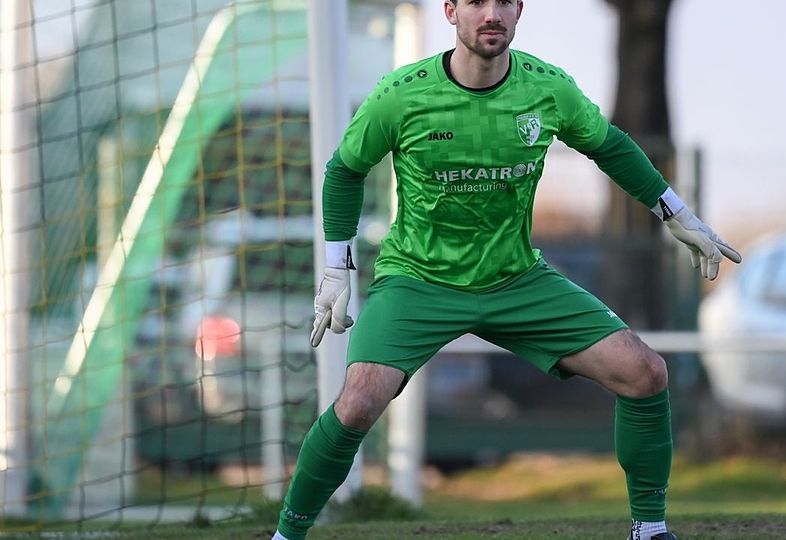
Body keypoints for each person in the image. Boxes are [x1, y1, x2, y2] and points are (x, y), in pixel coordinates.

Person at [272, 1, 740, 539]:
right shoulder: (401, 94)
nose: (490, 13)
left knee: (645, 372)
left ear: (519, 10)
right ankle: (286, 535)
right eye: (476, 2)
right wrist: (337, 267)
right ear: (451, 11)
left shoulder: (547, 88)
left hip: (517, 280)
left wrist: (674, 213)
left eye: (503, 2)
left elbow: (610, 146)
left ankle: (650, 530)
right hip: (418, 281)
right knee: (357, 404)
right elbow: (344, 170)